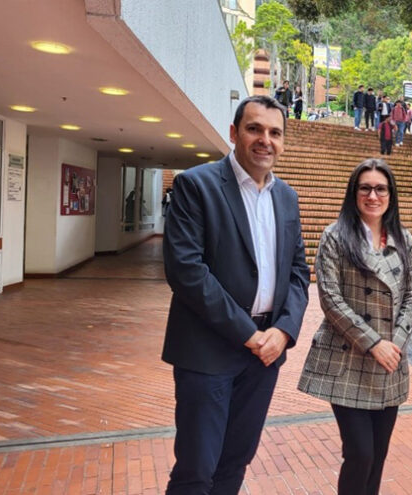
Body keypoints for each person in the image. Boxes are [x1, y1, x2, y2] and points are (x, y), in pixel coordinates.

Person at [162, 95, 311, 495]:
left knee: (235, 463)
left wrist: (283, 331)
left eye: (275, 132)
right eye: (254, 129)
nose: (265, 140)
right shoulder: (197, 185)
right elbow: (186, 272)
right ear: (233, 133)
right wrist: (248, 333)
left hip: (264, 355)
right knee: (197, 468)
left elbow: (298, 273)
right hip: (208, 350)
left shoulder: (287, 197)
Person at [298, 158, 412, 495]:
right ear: (353, 193)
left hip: (391, 362)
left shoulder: (402, 238)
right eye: (364, 188)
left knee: (378, 456)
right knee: (360, 454)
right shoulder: (335, 237)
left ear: (391, 195)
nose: (372, 195)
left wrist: (393, 343)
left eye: (381, 188)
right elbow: (330, 300)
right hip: (349, 360)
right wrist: (374, 343)